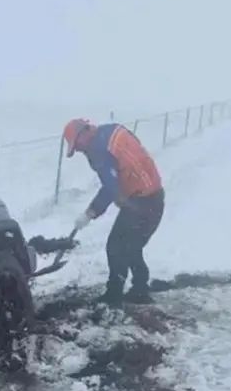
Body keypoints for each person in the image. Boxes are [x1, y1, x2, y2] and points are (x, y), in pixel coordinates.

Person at [63, 118, 165, 305]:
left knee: (116, 246)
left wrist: (90, 213)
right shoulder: (110, 132)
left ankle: (115, 294)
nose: (77, 150)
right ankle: (140, 289)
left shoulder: (98, 149)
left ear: (84, 133)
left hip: (141, 201)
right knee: (132, 246)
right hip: (155, 197)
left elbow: (110, 188)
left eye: (76, 145)